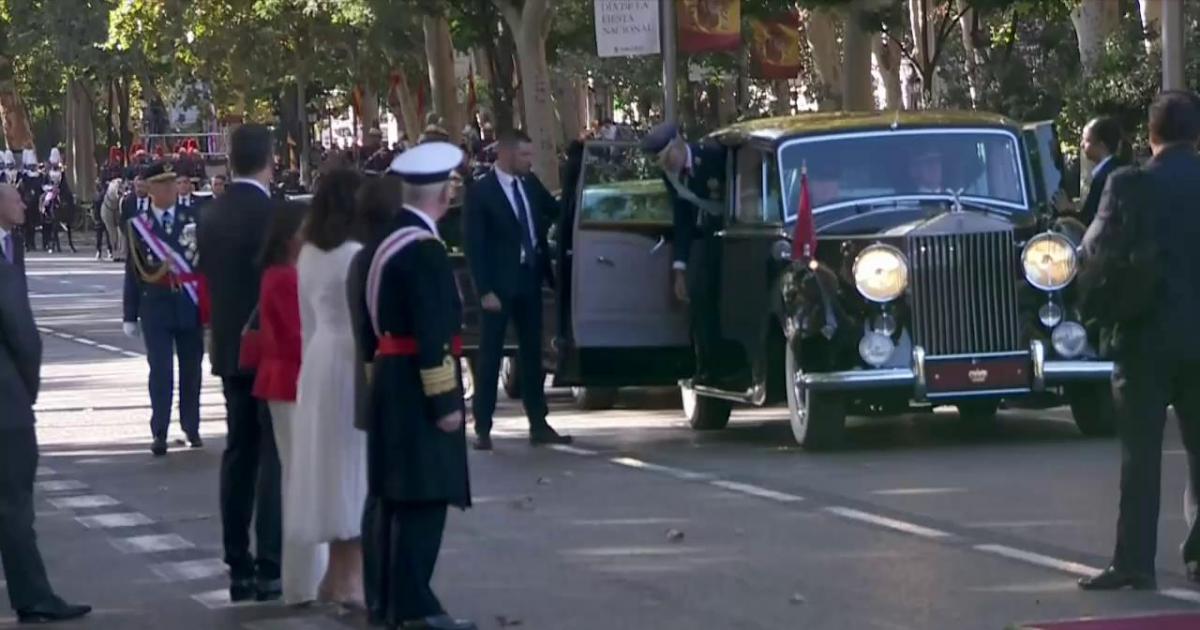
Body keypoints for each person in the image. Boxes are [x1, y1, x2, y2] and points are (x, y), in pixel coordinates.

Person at [1078, 91, 1200, 591]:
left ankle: (1134, 563)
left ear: (1151, 136)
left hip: (1144, 338)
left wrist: (1095, 318)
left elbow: (1097, 256)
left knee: (1141, 457)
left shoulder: (1129, 185)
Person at [350, 143, 475, 630]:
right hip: (418, 385)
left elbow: (365, 328)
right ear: (444, 195)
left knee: (390, 499)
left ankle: (386, 603)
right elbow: (433, 332)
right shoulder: (422, 250)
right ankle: (415, 605)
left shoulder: (380, 241)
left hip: (388, 380)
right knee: (422, 499)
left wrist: (373, 382)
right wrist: (445, 399)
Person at [195, 123, 283, 603]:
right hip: (271, 349)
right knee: (273, 456)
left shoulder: (211, 214)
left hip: (231, 350)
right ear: (269, 159)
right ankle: (270, 562)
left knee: (239, 452)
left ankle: (237, 563)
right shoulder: (275, 215)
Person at [0, 185, 91, 625]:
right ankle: (33, 596)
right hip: (5, 403)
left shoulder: (11, 249)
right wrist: (27, 390)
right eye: (13, 198)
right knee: (14, 505)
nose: (23, 203)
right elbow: (23, 335)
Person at [290, 170, 369, 607]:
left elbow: (307, 324)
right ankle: (351, 579)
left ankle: (335, 575)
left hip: (319, 358)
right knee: (353, 468)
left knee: (329, 469)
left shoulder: (308, 255)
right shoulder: (356, 254)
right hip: (349, 358)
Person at [464, 129, 571, 451]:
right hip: (497, 286)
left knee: (532, 355)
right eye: (524, 155)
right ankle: (483, 426)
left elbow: (556, 213)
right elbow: (475, 246)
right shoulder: (482, 192)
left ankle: (538, 423)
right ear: (507, 155)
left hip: (529, 279)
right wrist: (484, 290)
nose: (529, 161)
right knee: (490, 356)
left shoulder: (529, 184)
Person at [253, 201, 326, 606]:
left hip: (290, 379)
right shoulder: (282, 277)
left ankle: (307, 576)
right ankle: (302, 580)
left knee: (301, 477)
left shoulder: (289, 274)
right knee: (301, 479)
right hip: (289, 380)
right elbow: (296, 335)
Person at [345, 174, 404, 625]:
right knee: (390, 496)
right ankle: (389, 597)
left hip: (372, 379)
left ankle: (379, 596)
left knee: (376, 496)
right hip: (390, 381)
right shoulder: (386, 257)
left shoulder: (362, 257)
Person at [121, 161, 204, 456]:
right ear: (152, 189)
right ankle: (160, 430)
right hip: (155, 306)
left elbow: (204, 266)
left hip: (188, 303)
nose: (170, 188)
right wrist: (129, 314)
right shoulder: (138, 226)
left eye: (173, 183)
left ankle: (191, 426)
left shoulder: (193, 218)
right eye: (164, 184)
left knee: (192, 370)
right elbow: (133, 271)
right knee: (161, 371)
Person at [641, 123, 729, 386]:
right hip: (705, 238)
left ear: (679, 145)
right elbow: (683, 219)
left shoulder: (713, 156)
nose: (666, 166)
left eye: (668, 158)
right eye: (661, 163)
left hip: (735, 234)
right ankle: (708, 367)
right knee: (700, 298)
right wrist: (679, 268)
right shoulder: (671, 175)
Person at [1078, 116, 1126, 226]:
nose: (1082, 145)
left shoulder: (1104, 177)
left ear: (1101, 145)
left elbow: (1090, 219)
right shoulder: (1121, 167)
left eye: (1086, 140)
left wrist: (1066, 210)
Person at [102, 176, 126, 262]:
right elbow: (103, 178)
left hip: (121, 188)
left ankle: (122, 251)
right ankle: (97, 218)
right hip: (109, 188)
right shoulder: (107, 167)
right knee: (98, 198)